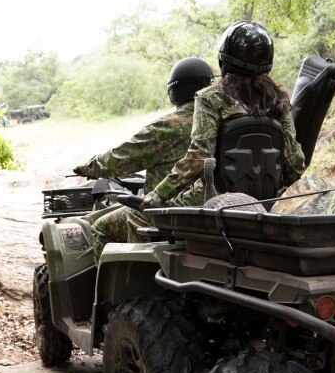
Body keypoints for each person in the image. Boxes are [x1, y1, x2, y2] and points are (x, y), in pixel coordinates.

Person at [143, 20, 305, 210]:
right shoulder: (278, 101)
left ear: (223, 60)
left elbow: (199, 157)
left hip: (215, 205)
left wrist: (159, 194)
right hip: (265, 207)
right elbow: (295, 164)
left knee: (108, 224)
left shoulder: (210, 98)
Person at [74, 58, 213, 256]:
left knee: (100, 228)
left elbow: (120, 159)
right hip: (215, 205)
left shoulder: (167, 126)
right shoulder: (222, 118)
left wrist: (88, 167)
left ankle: (119, 282)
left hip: (169, 211)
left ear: (174, 90)